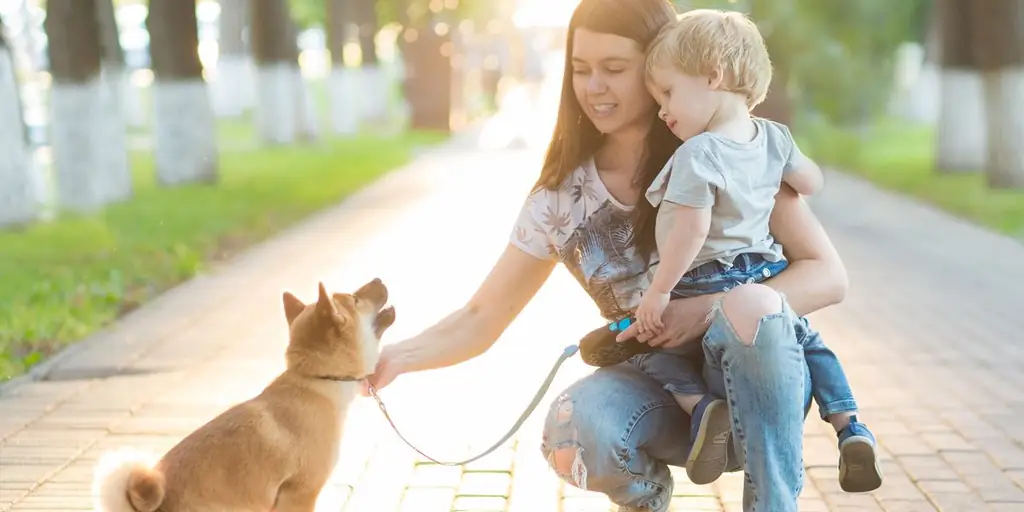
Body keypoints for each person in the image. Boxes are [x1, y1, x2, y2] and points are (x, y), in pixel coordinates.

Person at [365, 0, 851, 510]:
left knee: (762, 323)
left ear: (661, 67)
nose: (594, 86)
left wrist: (708, 310)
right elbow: (482, 316)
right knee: (573, 427)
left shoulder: (730, 150)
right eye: (580, 69)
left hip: (757, 390)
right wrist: (396, 357)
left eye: (614, 69)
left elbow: (828, 275)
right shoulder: (561, 200)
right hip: (665, 396)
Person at [575, 9, 880, 492]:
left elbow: (690, 233)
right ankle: (849, 426)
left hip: (703, 278)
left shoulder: (697, 154)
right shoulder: (775, 139)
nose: (662, 110)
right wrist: (778, 173)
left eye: (669, 93)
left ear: (713, 75)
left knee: (650, 352)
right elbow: (810, 181)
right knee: (807, 341)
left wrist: (659, 292)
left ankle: (701, 412)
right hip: (763, 272)